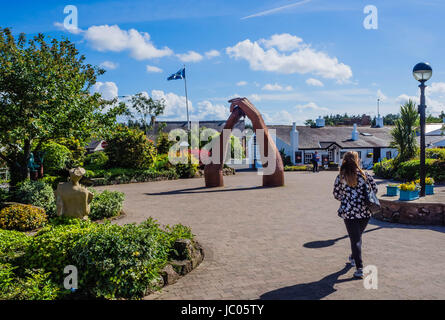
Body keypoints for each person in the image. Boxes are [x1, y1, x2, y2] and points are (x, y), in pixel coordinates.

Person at [333, 151, 377, 278]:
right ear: (357, 160)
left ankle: (360, 268)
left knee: (355, 238)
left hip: (349, 212)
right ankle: (353, 256)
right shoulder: (365, 175)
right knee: (357, 237)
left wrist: (346, 199)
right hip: (365, 212)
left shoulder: (341, 177)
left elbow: (336, 194)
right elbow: (375, 189)